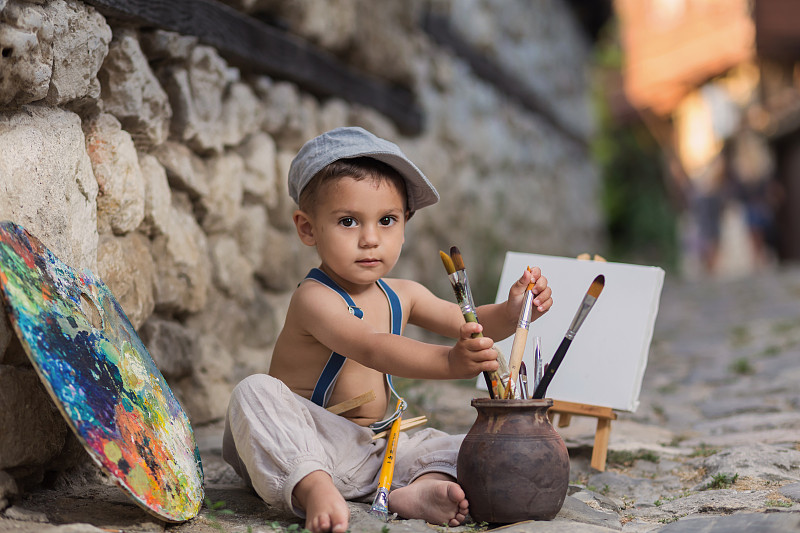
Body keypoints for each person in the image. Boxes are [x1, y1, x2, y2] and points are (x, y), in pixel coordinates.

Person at [222, 127, 552, 533]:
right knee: (253, 392)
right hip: (307, 442)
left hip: (378, 449)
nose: (370, 239)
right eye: (348, 221)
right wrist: (450, 361)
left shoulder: (404, 293)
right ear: (308, 228)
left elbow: (469, 320)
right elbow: (373, 347)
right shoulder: (314, 298)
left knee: (464, 447)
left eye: (387, 220)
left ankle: (415, 491)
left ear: (405, 224)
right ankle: (314, 489)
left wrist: (514, 309)